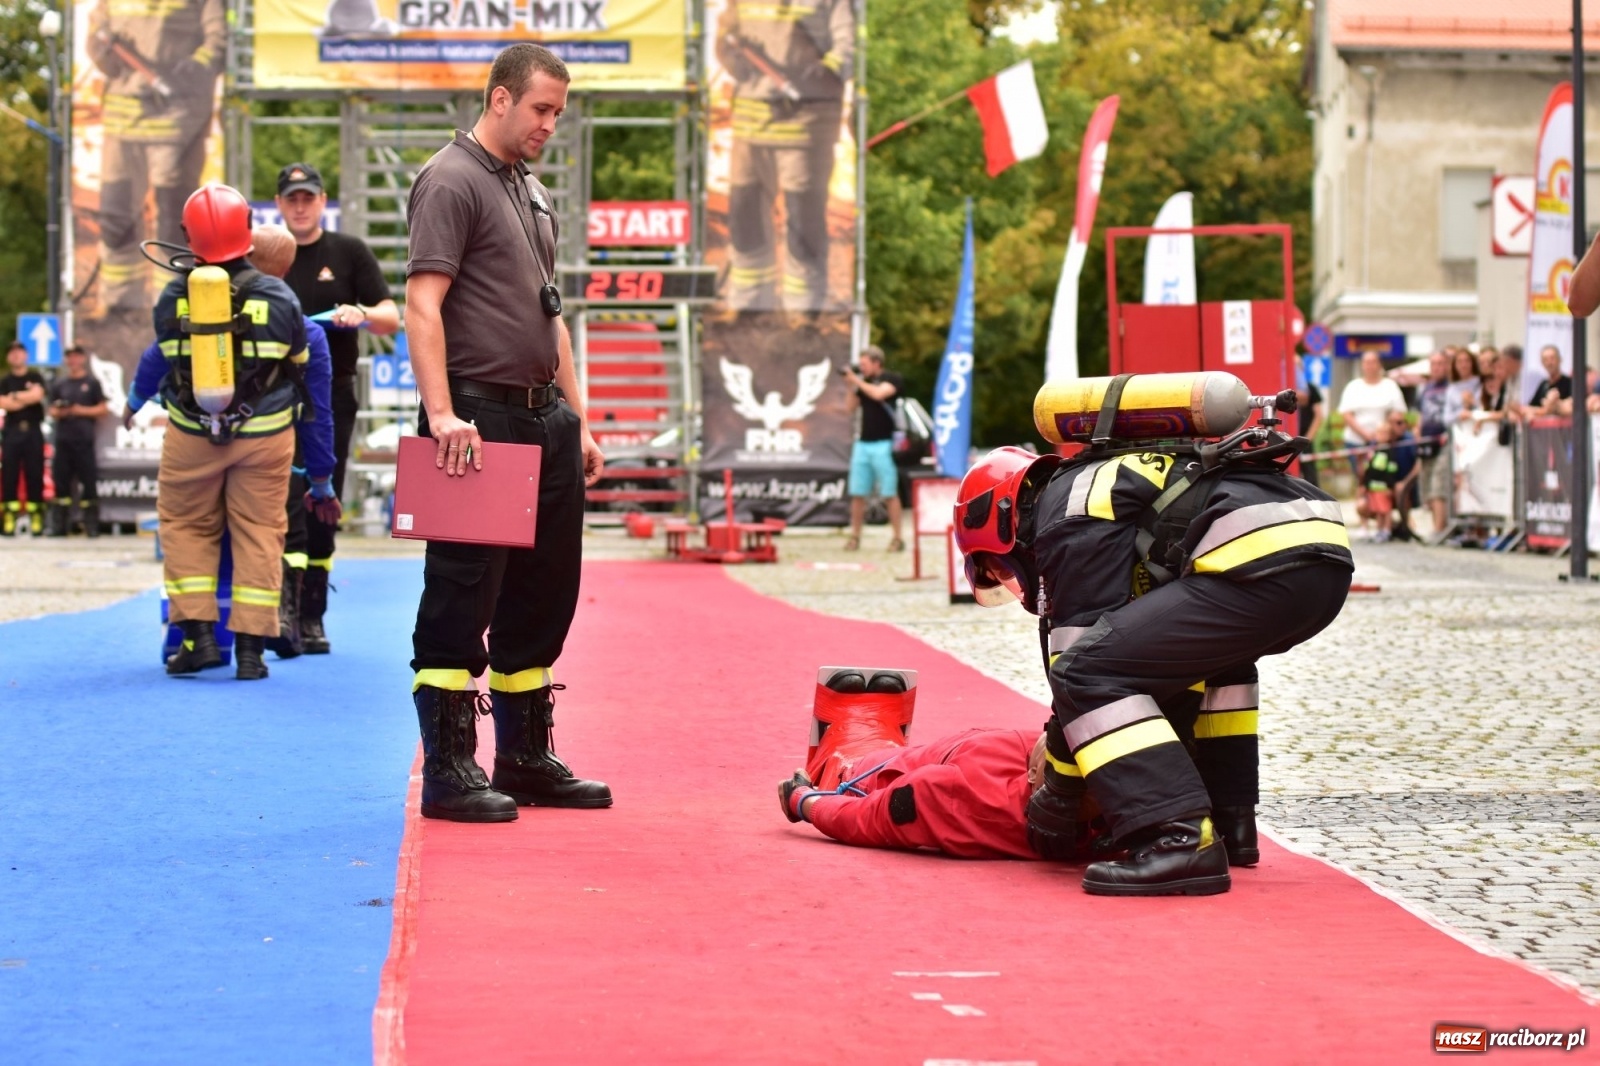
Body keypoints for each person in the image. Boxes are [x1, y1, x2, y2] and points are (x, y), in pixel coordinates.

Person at [951, 434, 1352, 896]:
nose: (1010, 578)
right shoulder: (1097, 480)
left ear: (1004, 518)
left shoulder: (1066, 513)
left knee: (1088, 672)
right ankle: (1231, 821)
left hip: (1257, 560)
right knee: (1216, 669)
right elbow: (1156, 674)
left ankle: (1179, 840)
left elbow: (1077, 667)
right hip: (1320, 558)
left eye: (999, 569)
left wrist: (1058, 794)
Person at [404, 44, 609, 823]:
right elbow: (424, 305)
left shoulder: (528, 187)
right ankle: (450, 770)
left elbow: (552, 314)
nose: (550, 124)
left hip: (544, 417)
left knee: (543, 592)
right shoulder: (450, 180)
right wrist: (442, 414)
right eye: (541, 109)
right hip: (476, 418)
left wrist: (579, 418)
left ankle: (523, 758)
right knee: (462, 593)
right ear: (499, 99)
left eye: (558, 112)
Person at [132, 183, 309, 681]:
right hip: (267, 434)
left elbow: (165, 359)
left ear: (190, 236)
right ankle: (251, 652)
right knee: (259, 531)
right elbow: (299, 362)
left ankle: (198, 639)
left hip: (191, 433)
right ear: (247, 231)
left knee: (186, 528)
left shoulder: (173, 296)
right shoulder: (277, 294)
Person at [274, 161, 400, 654]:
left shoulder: (348, 252)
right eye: (291, 198)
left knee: (322, 499)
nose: (300, 206)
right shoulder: (266, 254)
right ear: (280, 204)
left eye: (308, 197)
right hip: (274, 395)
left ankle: (312, 617)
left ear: (322, 200)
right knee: (283, 500)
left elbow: (393, 315)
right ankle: (281, 611)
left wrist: (362, 314)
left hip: (331, 397)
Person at [85, 0, 224, 314]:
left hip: (178, 126)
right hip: (123, 124)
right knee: (116, 215)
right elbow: (96, 34)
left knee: (173, 221)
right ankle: (121, 304)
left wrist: (195, 67)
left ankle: (173, 302)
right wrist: (101, 49)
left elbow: (218, 40)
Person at [714, 0, 853, 313]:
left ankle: (804, 309)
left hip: (806, 126)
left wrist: (819, 75)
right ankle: (749, 303)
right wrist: (730, 54)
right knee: (744, 214)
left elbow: (848, 46)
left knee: (804, 216)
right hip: (750, 125)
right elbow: (726, 36)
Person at [247, 224, 341, 657]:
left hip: (211, 445)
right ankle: (286, 616)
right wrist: (321, 479)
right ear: (287, 269)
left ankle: (205, 632)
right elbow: (316, 413)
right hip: (277, 445)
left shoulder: (211, 316)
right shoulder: (305, 330)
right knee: (290, 532)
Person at [841, 345, 904, 551]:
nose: (862, 368)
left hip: (884, 444)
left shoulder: (893, 379)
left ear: (877, 363)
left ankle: (897, 537)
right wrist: (852, 386)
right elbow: (850, 409)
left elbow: (878, 394)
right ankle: (855, 536)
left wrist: (857, 381)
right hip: (863, 443)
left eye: (864, 364)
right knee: (858, 493)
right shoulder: (862, 383)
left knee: (889, 492)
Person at [46, 345, 109, 537]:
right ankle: (59, 526)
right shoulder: (60, 384)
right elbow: (51, 410)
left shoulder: (92, 383)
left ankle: (91, 526)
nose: (73, 361)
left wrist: (78, 410)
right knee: (61, 484)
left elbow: (103, 409)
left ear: (82, 358)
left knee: (89, 483)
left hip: (84, 441)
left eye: (76, 357)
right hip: (64, 440)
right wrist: (61, 411)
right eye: (69, 357)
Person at [1337, 350, 1406, 496]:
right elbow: (1347, 415)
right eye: (1367, 362)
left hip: (1383, 443)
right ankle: (1365, 512)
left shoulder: (1389, 386)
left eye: (1373, 362)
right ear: (1362, 365)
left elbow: (1398, 412)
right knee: (1363, 479)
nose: (1370, 366)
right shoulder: (1353, 386)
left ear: (1379, 364)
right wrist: (1366, 434)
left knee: (1383, 479)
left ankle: (1383, 513)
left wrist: (1384, 431)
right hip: (1357, 441)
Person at [0, 341, 48, 536]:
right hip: (11, 432)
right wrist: (23, 398)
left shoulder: (35, 376)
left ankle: (36, 518)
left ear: (25, 355)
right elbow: (4, 403)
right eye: (12, 353)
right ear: (8, 357)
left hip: (33, 432)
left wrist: (15, 397)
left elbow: (37, 396)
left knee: (35, 473)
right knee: (9, 474)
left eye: (20, 352)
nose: (16, 356)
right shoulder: (4, 381)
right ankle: (9, 519)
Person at [1415, 352, 1453, 537]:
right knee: (1427, 485)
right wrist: (1417, 433)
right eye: (1433, 364)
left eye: (1441, 363)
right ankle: (1436, 526)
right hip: (1426, 442)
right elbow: (1420, 415)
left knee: (1439, 484)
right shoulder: (1425, 389)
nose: (1437, 367)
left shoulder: (1452, 387)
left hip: (1445, 441)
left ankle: (1440, 529)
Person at [1356, 419, 1401, 541]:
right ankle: (1379, 530)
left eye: (1385, 433)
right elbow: (1368, 471)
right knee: (1377, 511)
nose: (1382, 436)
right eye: (1380, 433)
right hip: (1373, 488)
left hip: (1383, 488)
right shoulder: (1372, 451)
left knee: (1385, 510)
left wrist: (1390, 487)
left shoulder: (1389, 452)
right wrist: (1365, 485)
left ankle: (1386, 530)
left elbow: (1391, 471)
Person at [1293, 354, 1326, 488]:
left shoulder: (1310, 388)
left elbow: (1319, 415)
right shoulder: (1281, 387)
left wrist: (1308, 438)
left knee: (1310, 474)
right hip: (1287, 438)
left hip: (1304, 438)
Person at [1525, 345, 1571, 420]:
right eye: (1545, 359)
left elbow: (1571, 406)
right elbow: (1531, 406)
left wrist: (1554, 404)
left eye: (1552, 358)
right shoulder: (1543, 384)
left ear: (1560, 360)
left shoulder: (1570, 383)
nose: (1549, 363)